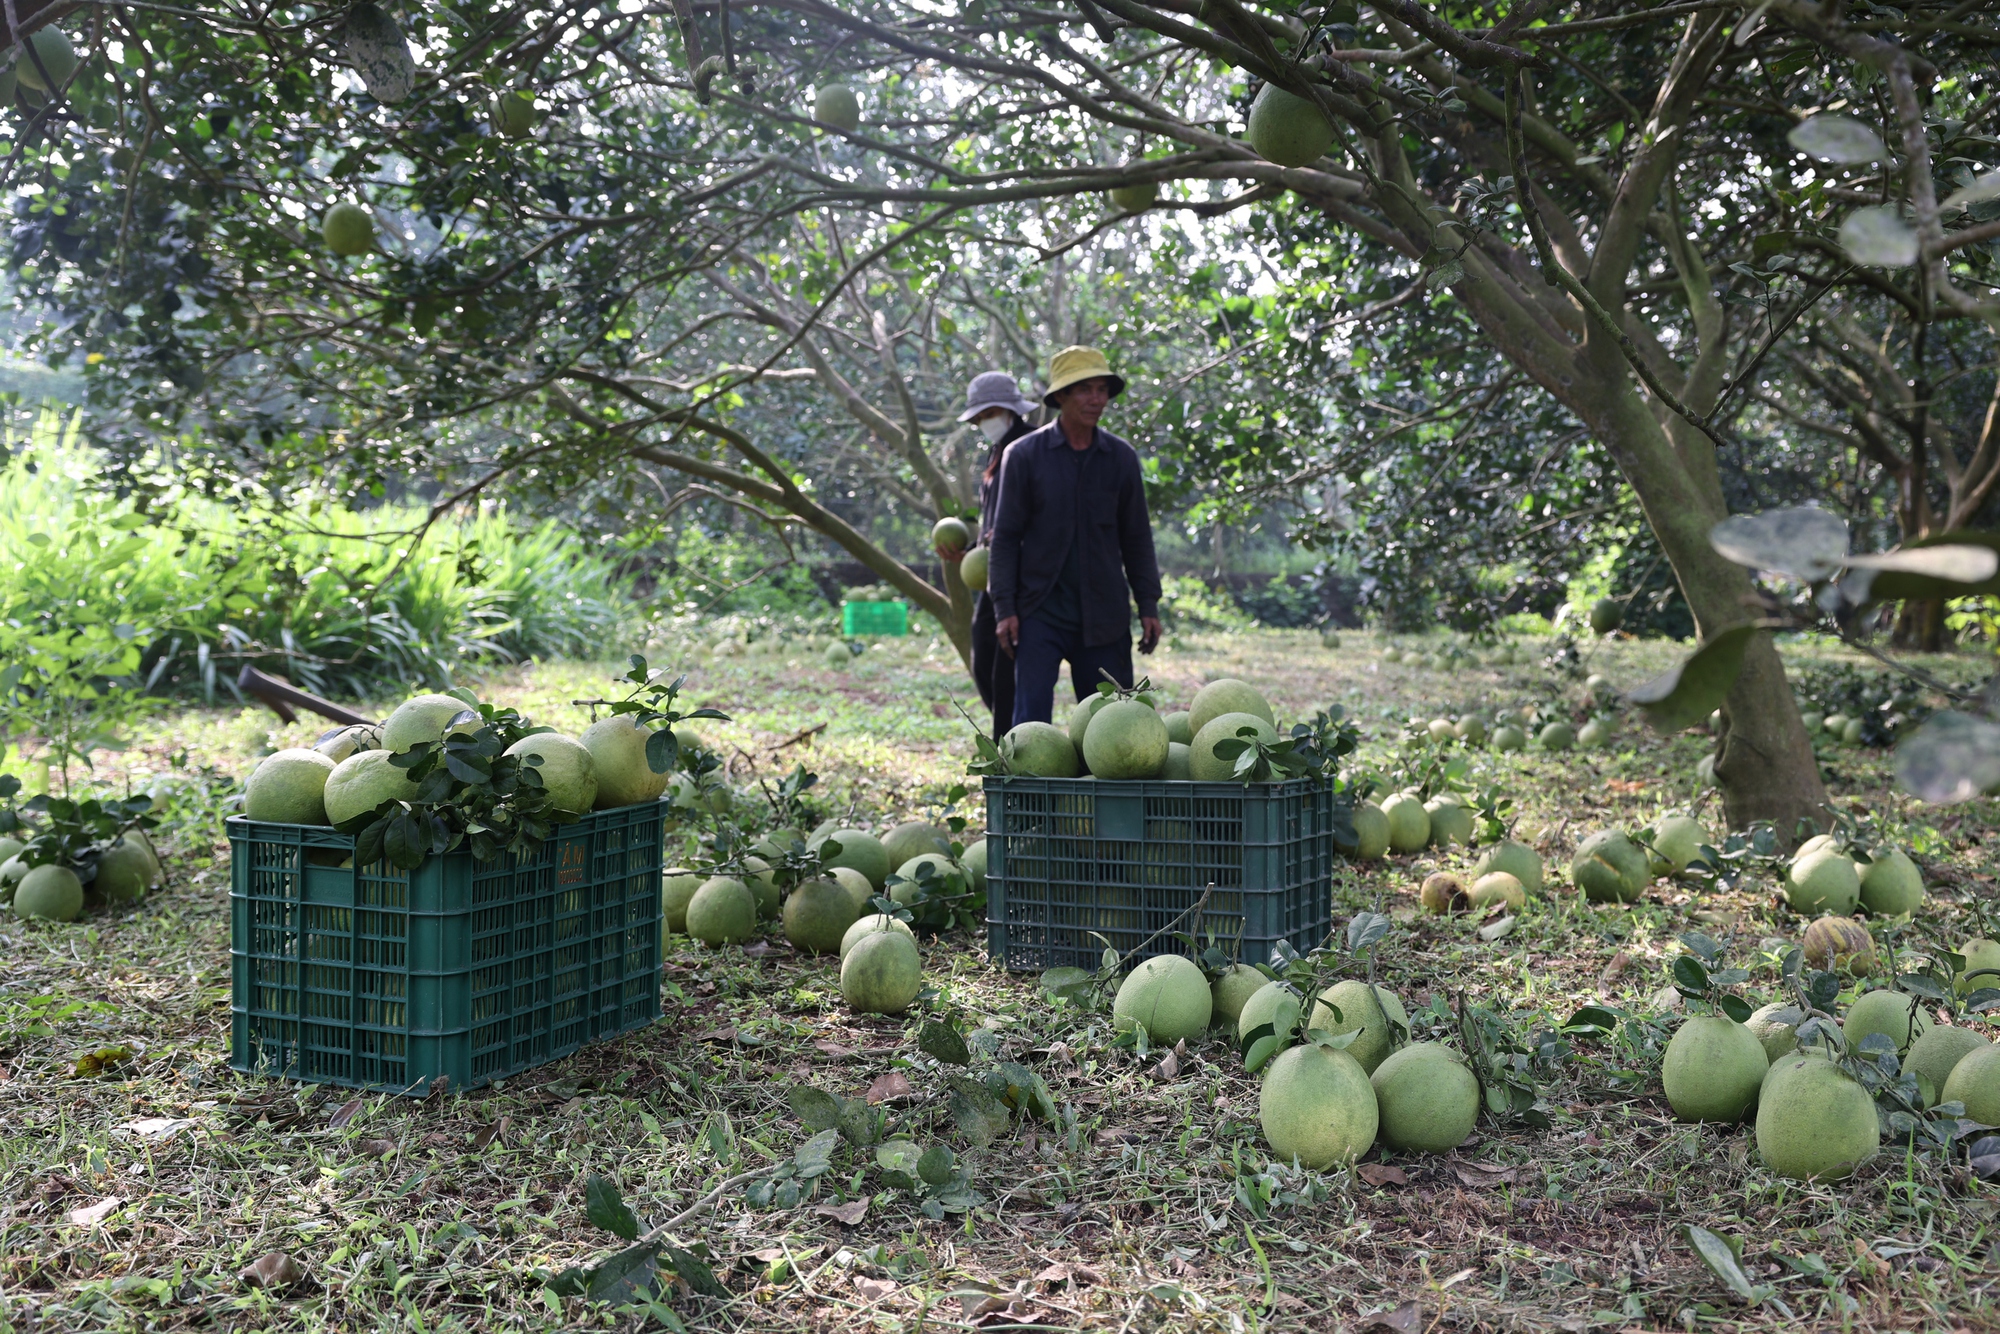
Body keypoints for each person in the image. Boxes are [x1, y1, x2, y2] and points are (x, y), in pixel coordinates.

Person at [988, 345, 1162, 727]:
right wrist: (1005, 609)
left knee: (1115, 726)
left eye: (1102, 390)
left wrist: (1148, 603)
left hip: (1105, 615)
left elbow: (1137, 537)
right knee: (1030, 724)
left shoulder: (1120, 458)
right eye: (1085, 390)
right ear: (1061, 396)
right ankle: (1029, 790)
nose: (1096, 399)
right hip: (1039, 612)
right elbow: (1004, 538)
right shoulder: (1024, 456)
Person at [944, 370, 1040, 738]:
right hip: (992, 569)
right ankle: (1012, 731)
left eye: (990, 413)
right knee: (983, 657)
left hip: (1024, 573)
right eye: (980, 417)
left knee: (1004, 667)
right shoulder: (996, 452)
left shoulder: (1033, 446)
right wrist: (969, 551)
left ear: (1011, 409)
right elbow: (995, 522)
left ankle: (1011, 747)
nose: (986, 423)